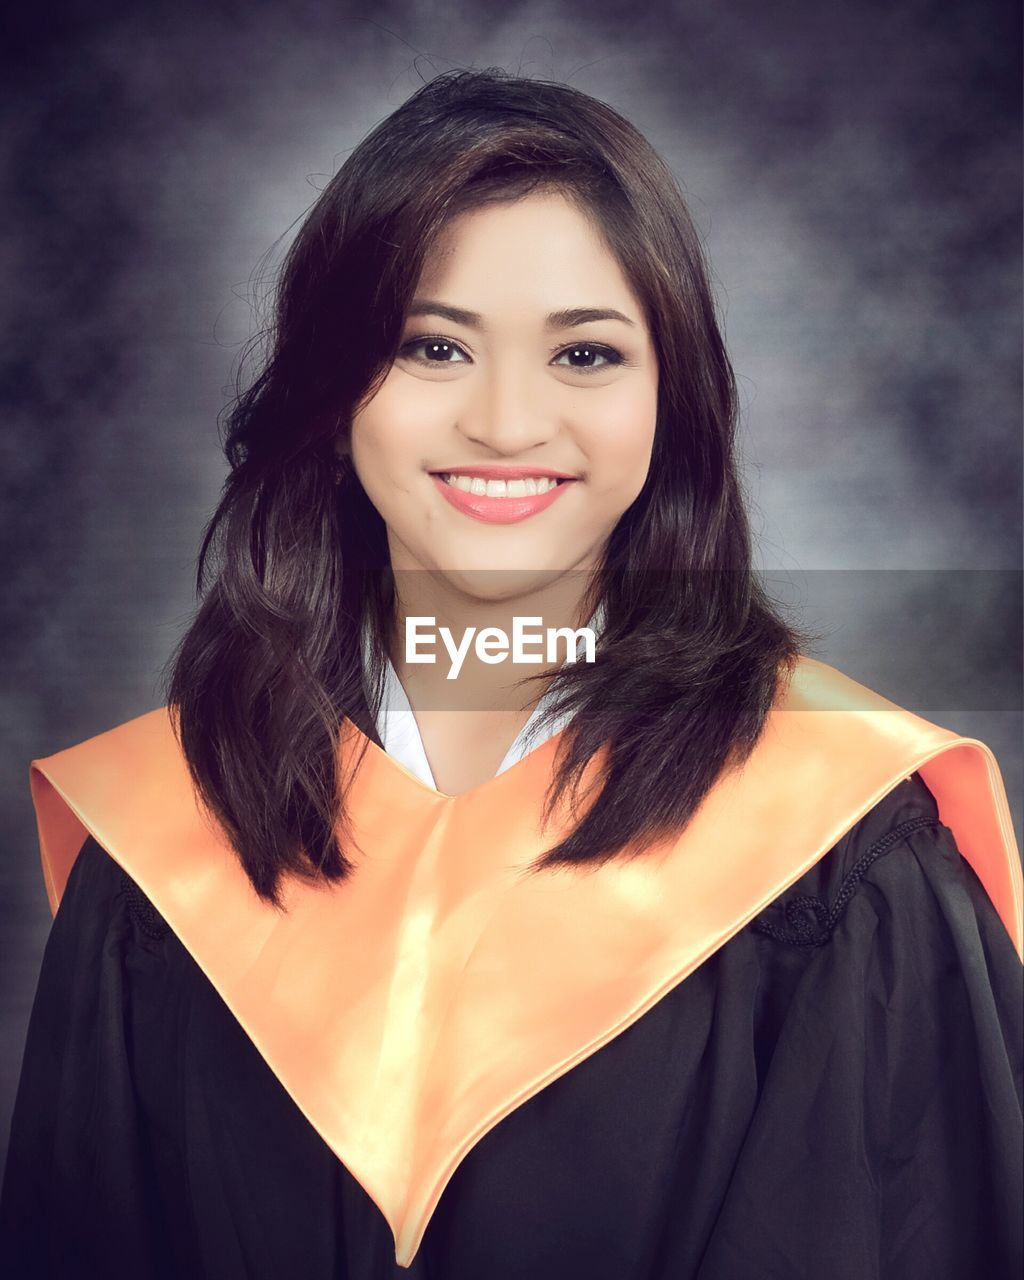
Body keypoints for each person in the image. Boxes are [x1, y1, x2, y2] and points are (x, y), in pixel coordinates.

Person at [2, 67, 1021, 1280]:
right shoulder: (168, 839)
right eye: (432, 345)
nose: (504, 421)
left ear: (670, 402)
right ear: (335, 397)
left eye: (585, 354)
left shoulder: (843, 854)